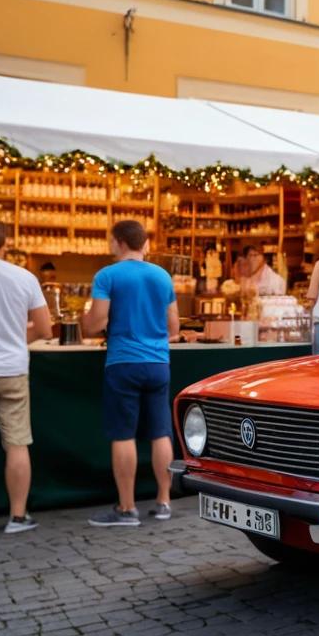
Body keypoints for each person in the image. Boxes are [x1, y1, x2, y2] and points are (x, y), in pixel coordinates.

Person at [80, 220, 179, 526]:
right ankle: (164, 502)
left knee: (123, 434)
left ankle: (127, 508)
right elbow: (174, 328)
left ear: (120, 242)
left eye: (111, 242)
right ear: (143, 243)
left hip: (123, 362)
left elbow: (95, 324)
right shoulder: (162, 276)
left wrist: (86, 321)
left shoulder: (107, 275)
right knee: (161, 432)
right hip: (158, 363)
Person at [0, 221, 52, 533]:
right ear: (5, 244)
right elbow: (44, 329)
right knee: (17, 443)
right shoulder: (23, 277)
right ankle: (18, 517)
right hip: (12, 369)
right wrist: (14, 340)